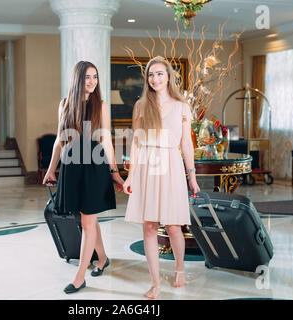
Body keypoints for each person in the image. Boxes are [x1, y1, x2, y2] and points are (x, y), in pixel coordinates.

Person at [43, 61, 124, 294]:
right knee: (87, 218)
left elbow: (106, 140)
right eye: (88, 77)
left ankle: (80, 277)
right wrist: (51, 169)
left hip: (94, 165)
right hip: (71, 165)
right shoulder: (65, 104)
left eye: (95, 77)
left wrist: (115, 172)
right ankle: (103, 258)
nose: (92, 82)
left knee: (88, 220)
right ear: (78, 79)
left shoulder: (102, 105)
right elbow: (60, 140)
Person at [123, 56, 200, 299]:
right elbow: (135, 143)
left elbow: (186, 144)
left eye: (159, 74)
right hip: (147, 164)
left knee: (174, 225)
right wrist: (130, 176)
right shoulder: (141, 106)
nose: (155, 79)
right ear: (147, 79)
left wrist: (192, 176)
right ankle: (155, 282)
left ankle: (179, 268)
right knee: (149, 226)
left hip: (171, 163)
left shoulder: (182, 106)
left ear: (168, 77)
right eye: (151, 74)